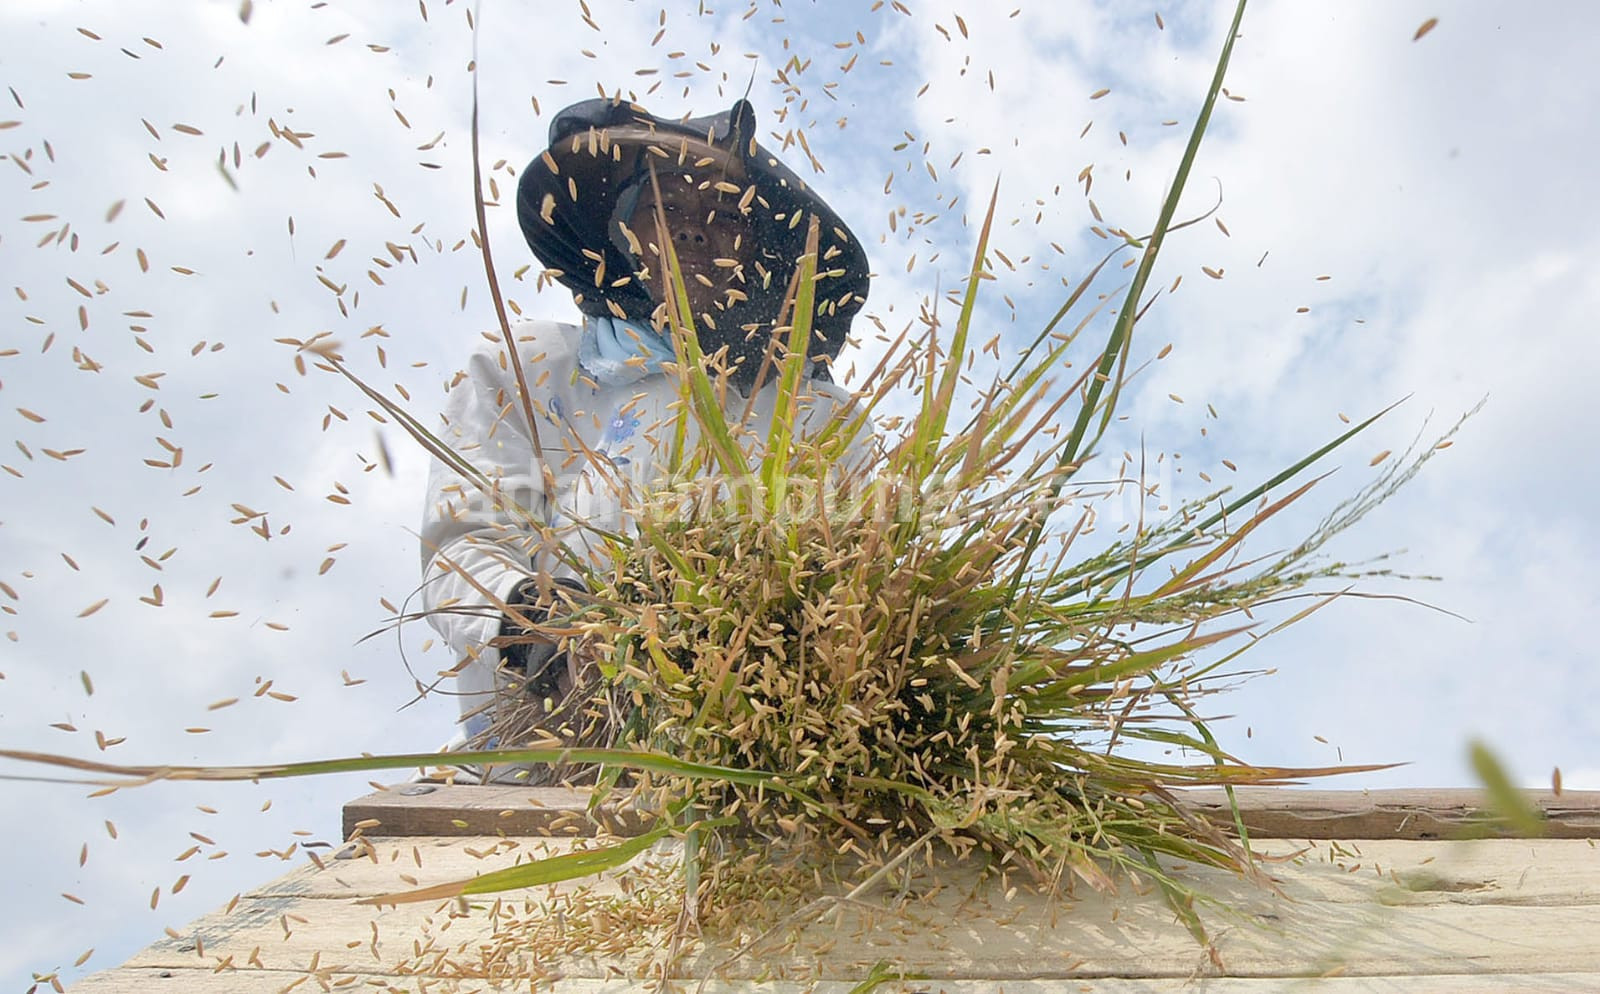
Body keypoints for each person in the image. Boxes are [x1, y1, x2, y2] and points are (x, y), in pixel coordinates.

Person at [419, 97, 871, 775]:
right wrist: (535, 629)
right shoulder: (537, 366)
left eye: (723, 215)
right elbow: (465, 546)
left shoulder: (821, 416)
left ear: (758, 248)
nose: (696, 232)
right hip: (537, 768)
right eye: (668, 209)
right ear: (623, 233)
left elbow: (871, 583)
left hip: (759, 773)